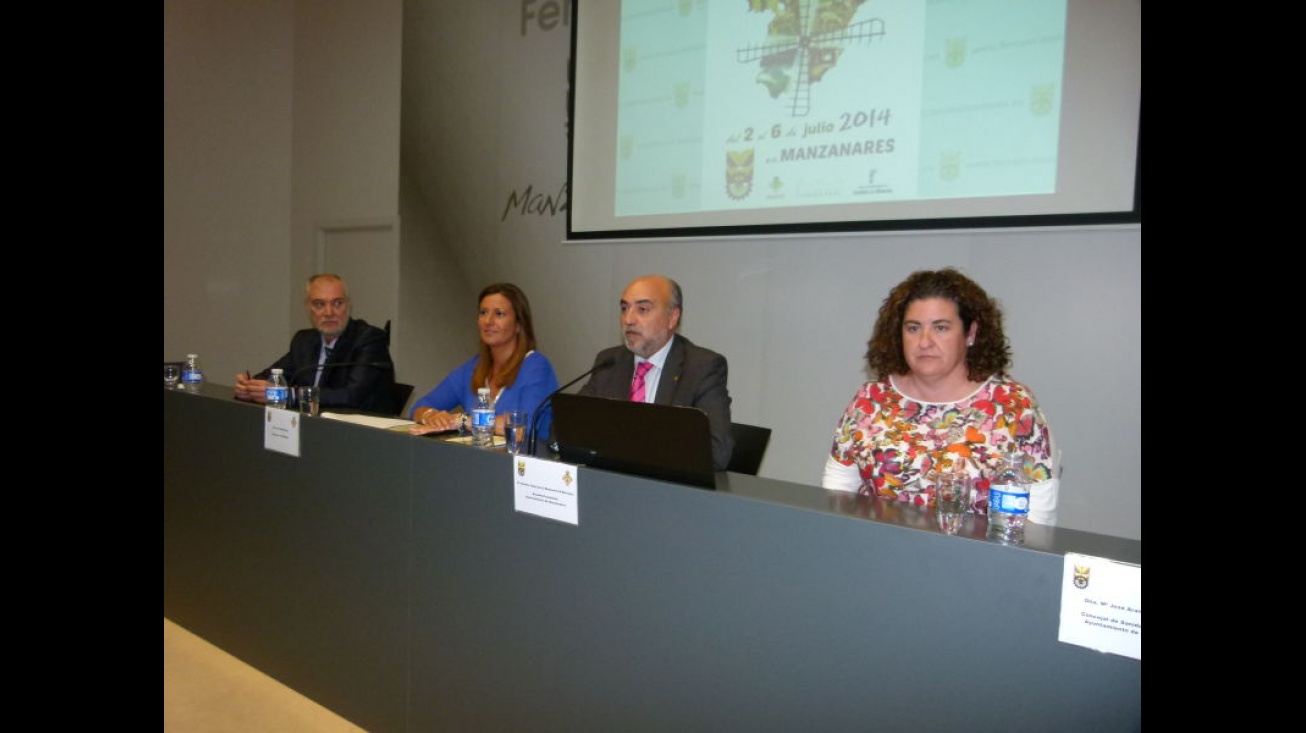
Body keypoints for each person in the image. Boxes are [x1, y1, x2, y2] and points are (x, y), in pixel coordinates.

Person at [820, 267, 1059, 525]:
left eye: (941, 328)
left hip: (974, 560)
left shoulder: (1013, 406)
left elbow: (1037, 521)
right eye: (913, 328)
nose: (924, 342)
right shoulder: (870, 399)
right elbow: (837, 492)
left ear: (971, 333)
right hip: (875, 552)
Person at [578, 275, 735, 470]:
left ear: (672, 317)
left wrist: (631, 445)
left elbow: (717, 452)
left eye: (642, 309)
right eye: (624, 308)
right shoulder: (609, 362)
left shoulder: (702, 368)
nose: (628, 320)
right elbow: (566, 430)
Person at [409, 283, 560, 440]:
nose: (488, 321)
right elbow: (419, 406)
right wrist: (432, 416)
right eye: (483, 312)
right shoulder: (473, 367)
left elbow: (521, 426)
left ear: (519, 325)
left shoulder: (536, 366)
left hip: (523, 462)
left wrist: (461, 421)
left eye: (499, 314)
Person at [234, 273, 395, 413]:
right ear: (309, 308)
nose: (329, 312)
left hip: (360, 435)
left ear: (348, 305)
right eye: (320, 304)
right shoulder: (304, 341)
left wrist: (286, 395)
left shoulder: (369, 339)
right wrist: (250, 387)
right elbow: (274, 375)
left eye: (337, 303)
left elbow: (350, 396)